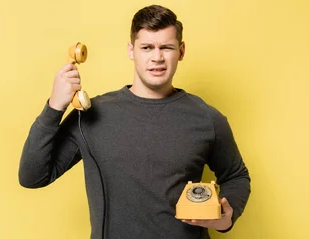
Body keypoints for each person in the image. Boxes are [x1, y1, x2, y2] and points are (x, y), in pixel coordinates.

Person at [19, 4, 251, 239]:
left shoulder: (207, 118)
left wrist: (226, 217)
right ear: (131, 50)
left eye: (166, 47)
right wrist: (54, 107)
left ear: (181, 51)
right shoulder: (91, 114)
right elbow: (33, 176)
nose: (157, 57)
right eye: (147, 47)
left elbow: (236, 175)